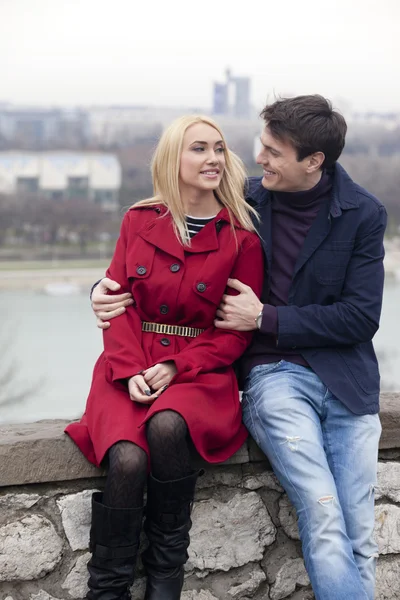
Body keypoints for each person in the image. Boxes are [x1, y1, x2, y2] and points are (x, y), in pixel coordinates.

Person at [93, 95, 387, 600]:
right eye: (260, 147)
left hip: (346, 380)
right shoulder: (246, 201)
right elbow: (155, 243)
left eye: (273, 152)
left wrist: (265, 317)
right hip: (275, 372)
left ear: (313, 161)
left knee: (359, 530)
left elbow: (362, 318)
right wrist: (98, 288)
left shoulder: (361, 214)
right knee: (321, 512)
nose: (258, 160)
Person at [66, 114, 264, 600]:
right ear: (173, 159)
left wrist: (178, 366)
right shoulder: (137, 220)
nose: (213, 159)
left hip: (201, 371)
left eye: (219, 148)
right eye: (199, 149)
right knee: (128, 460)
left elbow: (235, 333)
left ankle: (165, 578)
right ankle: (107, 588)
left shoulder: (242, 239)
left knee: (168, 425)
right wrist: (131, 369)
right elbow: (115, 304)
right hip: (126, 364)